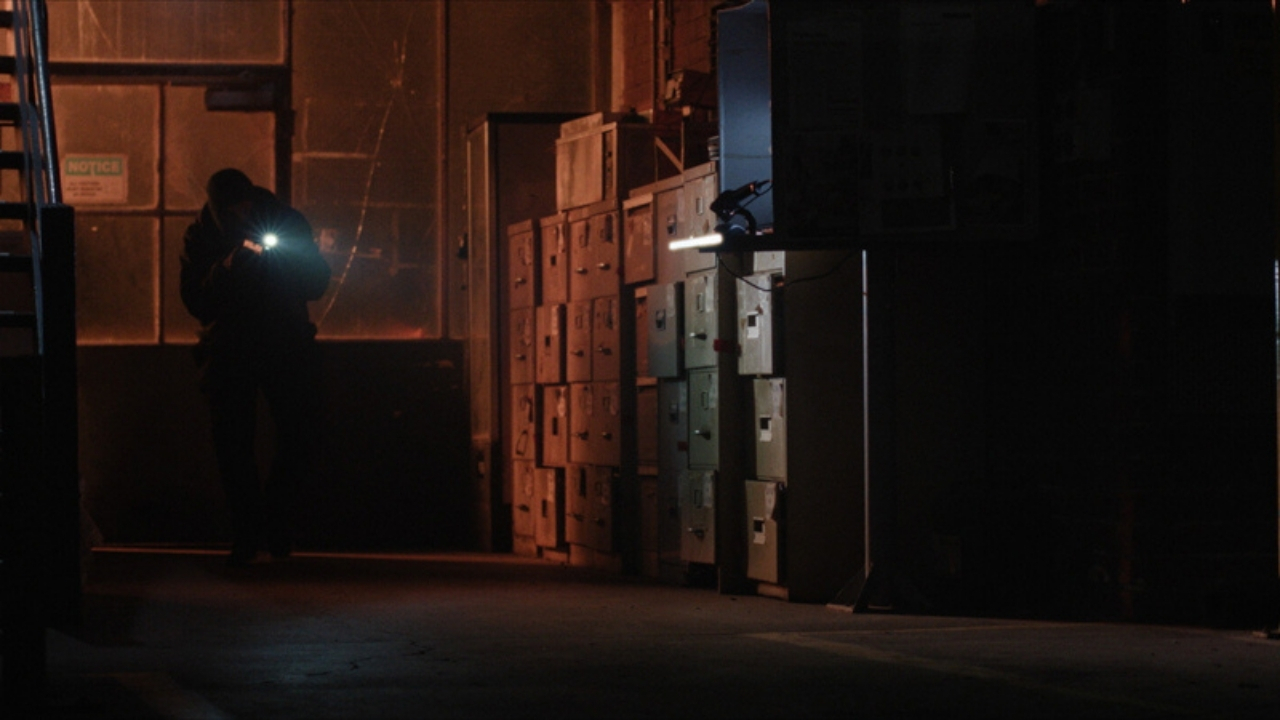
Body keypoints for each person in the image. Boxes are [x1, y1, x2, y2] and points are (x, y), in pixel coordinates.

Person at [180, 168, 332, 566]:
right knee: (233, 445)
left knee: (299, 436)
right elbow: (196, 300)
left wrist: (289, 260)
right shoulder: (202, 235)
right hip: (230, 349)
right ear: (219, 209)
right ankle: (248, 533)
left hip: (285, 343)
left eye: (246, 207)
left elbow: (317, 283)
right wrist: (230, 266)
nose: (242, 216)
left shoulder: (285, 222)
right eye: (233, 210)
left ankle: (274, 521)